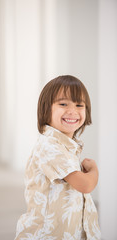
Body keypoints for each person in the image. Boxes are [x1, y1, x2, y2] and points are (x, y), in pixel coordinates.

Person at [15, 75, 101, 240]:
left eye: (79, 105)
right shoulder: (50, 146)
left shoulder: (66, 145)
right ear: (46, 110)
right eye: (63, 104)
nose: (72, 111)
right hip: (47, 234)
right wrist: (94, 170)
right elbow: (85, 185)